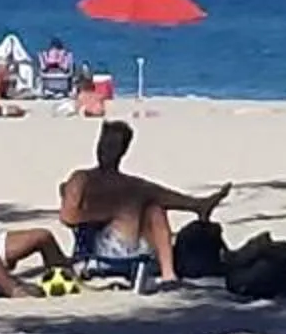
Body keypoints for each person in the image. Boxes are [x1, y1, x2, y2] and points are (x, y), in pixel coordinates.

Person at [58, 120, 226, 285]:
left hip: (135, 247)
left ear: (122, 151)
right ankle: (198, 205)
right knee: (135, 197)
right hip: (99, 248)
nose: (104, 150)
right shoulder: (82, 178)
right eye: (103, 144)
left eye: (111, 146)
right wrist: (108, 213)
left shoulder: (129, 183)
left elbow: (157, 194)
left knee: (154, 208)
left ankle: (169, 273)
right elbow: (67, 216)